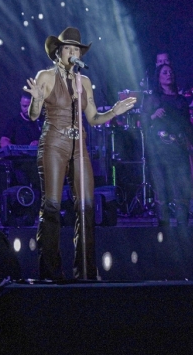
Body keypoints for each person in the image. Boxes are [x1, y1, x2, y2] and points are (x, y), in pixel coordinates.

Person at [23, 27, 136, 281]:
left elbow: (93, 118)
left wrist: (114, 112)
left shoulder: (83, 81)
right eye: (68, 48)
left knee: (86, 206)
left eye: (76, 49)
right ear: (58, 52)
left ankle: (85, 272)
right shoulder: (45, 76)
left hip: (79, 145)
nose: (73, 52)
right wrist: (37, 100)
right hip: (54, 142)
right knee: (52, 205)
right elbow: (33, 115)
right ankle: (50, 273)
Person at [145, 63, 193, 226]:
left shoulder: (180, 100)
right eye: (165, 72)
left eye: (170, 72)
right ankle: (163, 226)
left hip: (179, 148)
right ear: (158, 78)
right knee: (161, 188)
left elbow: (187, 125)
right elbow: (142, 122)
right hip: (159, 149)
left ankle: (183, 225)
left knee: (181, 187)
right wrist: (154, 115)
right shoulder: (153, 99)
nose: (169, 74)